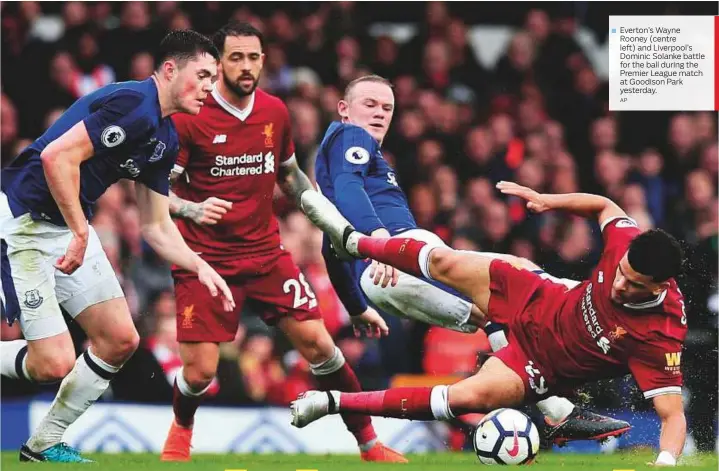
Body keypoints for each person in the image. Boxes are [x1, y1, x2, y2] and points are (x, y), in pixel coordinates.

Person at [303, 74, 630, 444]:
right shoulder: (351, 137)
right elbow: (350, 187)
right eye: (370, 104)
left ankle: (556, 410)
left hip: (378, 280)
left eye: (387, 108)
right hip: (402, 255)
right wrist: (381, 243)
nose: (379, 114)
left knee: (493, 315)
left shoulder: (334, 160)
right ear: (344, 109)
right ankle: (597, 312)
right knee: (518, 279)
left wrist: (357, 306)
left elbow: (332, 245)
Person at [293, 181, 688, 467]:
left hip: (538, 366)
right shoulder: (628, 243)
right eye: (620, 272)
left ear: (659, 285)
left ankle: (331, 402)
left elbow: (672, 416)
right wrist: (547, 200)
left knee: (459, 400)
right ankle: (354, 242)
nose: (619, 284)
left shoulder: (661, 334)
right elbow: (605, 206)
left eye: (634, 285)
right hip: (536, 295)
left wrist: (666, 462)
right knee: (446, 262)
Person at [160, 22, 404, 463]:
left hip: (265, 253)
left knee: (320, 347)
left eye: (254, 57)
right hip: (205, 258)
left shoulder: (274, 112)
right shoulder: (190, 118)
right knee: (199, 373)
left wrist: (329, 220)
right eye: (236, 57)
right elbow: (161, 191)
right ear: (217, 65)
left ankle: (369, 444)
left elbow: (290, 176)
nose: (247, 66)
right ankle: (180, 428)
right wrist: (190, 209)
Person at [0, 30, 235, 463]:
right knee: (51, 364)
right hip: (25, 223)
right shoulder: (134, 104)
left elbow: (156, 225)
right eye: (203, 75)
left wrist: (202, 266)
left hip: (68, 226)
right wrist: (82, 231)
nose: (210, 87)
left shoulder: (165, 138)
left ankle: (43, 443)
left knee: (120, 339)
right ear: (169, 69)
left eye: (213, 78)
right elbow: (57, 158)